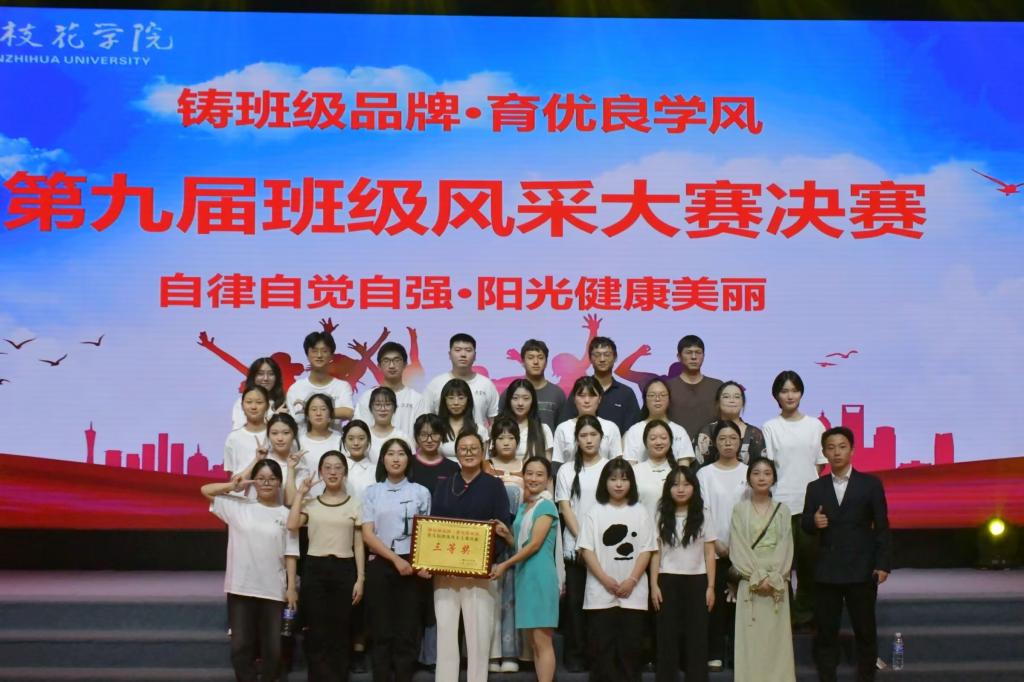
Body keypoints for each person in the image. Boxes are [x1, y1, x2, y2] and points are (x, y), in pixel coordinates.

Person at [803, 427, 891, 682]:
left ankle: (866, 677)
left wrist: (883, 564)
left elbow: (882, 526)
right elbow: (805, 522)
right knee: (826, 631)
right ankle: (827, 677)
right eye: (831, 448)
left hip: (861, 567)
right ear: (824, 452)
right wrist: (813, 521)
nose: (837, 452)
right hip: (827, 569)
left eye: (842, 447)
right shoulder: (815, 487)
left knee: (865, 630)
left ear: (852, 450)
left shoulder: (871, 484)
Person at [202, 459, 299, 682]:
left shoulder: (286, 514)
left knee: (273, 649)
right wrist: (233, 486)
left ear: (279, 482)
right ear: (254, 482)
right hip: (241, 587)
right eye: (261, 478)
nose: (266, 483)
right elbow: (205, 490)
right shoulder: (239, 506)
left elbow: (291, 553)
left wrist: (291, 587)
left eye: (272, 479)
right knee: (241, 647)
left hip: (273, 589)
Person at [431, 431, 513, 682]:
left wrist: (485, 561)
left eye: (474, 448)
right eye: (463, 449)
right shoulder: (444, 484)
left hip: (480, 572)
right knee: (446, 635)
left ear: (483, 451)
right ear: (456, 453)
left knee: (479, 638)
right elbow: (433, 527)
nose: (468, 453)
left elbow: (502, 527)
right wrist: (434, 562)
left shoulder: (494, 485)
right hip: (445, 572)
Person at [287, 451, 364, 682]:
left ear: (345, 472)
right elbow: (291, 525)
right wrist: (300, 493)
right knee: (316, 629)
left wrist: (360, 578)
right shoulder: (311, 503)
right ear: (320, 472)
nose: (332, 472)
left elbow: (359, 544)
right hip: (315, 569)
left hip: (344, 568)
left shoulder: (356, 504)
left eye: (338, 467)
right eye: (327, 467)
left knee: (341, 629)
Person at [577, 458, 656, 682]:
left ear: (631, 483)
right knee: (601, 654)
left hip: (634, 594)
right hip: (600, 595)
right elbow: (586, 550)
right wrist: (605, 579)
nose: (619, 484)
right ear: (605, 482)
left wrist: (632, 580)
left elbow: (647, 550)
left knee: (630, 654)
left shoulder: (640, 512)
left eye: (624, 479)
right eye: (613, 479)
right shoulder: (595, 512)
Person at [361, 439, 432, 682]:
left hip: (412, 566)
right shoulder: (372, 492)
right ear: (383, 459)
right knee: (381, 629)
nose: (395, 458)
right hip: (381, 563)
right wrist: (395, 560)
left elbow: (427, 533)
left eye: (401, 454)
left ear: (408, 459)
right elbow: (368, 535)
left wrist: (419, 564)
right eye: (390, 454)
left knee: (407, 630)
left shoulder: (420, 492)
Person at [762, 370, 826, 628]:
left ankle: (805, 615)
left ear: (801, 393)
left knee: (809, 564)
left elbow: (820, 463)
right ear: (776, 395)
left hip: (809, 505)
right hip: (780, 503)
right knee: (782, 566)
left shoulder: (815, 426)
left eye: (794, 390)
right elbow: (769, 466)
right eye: (784, 391)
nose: (790, 396)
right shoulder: (770, 427)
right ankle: (785, 616)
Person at [491, 457, 561, 682]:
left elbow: (534, 545)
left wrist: (505, 565)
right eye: (529, 473)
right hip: (525, 576)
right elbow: (521, 544)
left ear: (548, 479)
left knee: (543, 641)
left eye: (539, 474)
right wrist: (507, 535)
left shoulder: (546, 506)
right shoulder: (524, 507)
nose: (533, 478)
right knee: (534, 643)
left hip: (540, 576)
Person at [731, 457, 795, 682]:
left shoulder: (783, 510)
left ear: (774, 478)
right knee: (751, 639)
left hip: (776, 581)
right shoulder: (740, 510)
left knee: (776, 639)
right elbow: (738, 546)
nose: (761, 478)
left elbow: (786, 546)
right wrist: (757, 576)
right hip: (750, 580)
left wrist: (773, 577)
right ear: (749, 478)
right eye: (756, 473)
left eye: (767, 473)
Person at [650, 466, 716, 682]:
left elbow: (709, 552)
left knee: (697, 637)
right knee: (666, 637)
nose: (680, 489)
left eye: (686, 484)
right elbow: (656, 552)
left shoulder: (704, 514)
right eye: (675, 484)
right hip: (667, 579)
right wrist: (654, 585)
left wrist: (711, 587)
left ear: (694, 488)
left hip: (697, 581)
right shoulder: (660, 515)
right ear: (668, 488)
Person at [406, 413, 460, 672]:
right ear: (416, 437)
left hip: (443, 544)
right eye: (424, 434)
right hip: (409, 544)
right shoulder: (407, 464)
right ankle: (411, 656)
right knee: (413, 602)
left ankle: (434, 657)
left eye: (434, 434)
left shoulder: (452, 468)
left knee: (439, 603)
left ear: (442, 436)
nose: (429, 439)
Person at [553, 415, 607, 672]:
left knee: (601, 604)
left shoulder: (610, 467)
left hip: (605, 547)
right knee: (575, 603)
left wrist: (596, 543)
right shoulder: (566, 470)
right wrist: (584, 542)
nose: (588, 440)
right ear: (576, 440)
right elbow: (565, 507)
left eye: (593, 435)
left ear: (601, 437)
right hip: (575, 548)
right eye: (583, 436)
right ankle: (575, 656)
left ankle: (598, 656)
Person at [696, 420, 750, 673]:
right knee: (714, 602)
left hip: (744, 549)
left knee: (742, 604)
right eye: (723, 439)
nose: (728, 443)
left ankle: (740, 654)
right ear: (715, 444)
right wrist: (714, 541)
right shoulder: (704, 474)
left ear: (740, 442)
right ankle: (714, 653)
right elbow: (702, 509)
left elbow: (752, 510)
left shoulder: (749, 473)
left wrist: (739, 545)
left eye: (733, 438)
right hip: (712, 549)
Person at [486, 416, 525, 673]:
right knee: (490, 597)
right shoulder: (485, 466)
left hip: (517, 538)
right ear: (493, 441)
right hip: (490, 540)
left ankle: (511, 653)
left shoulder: (527, 465)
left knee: (512, 597)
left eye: (511, 437)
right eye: (501, 437)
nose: (506, 442)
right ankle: (490, 654)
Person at [416, 333, 500, 427]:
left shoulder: (486, 384)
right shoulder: (435, 384)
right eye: (458, 350)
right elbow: (425, 420)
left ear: (475, 355)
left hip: (478, 436)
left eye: (468, 350)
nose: (463, 354)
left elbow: (494, 421)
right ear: (449, 354)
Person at [560, 336, 640, 435]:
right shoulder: (580, 390)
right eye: (597, 355)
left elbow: (634, 430)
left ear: (615, 357)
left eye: (607, 355)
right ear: (590, 358)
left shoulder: (626, 393)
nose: (602, 359)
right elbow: (567, 424)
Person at [287, 331, 355, 429]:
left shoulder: (342, 386)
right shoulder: (296, 388)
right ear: (307, 355)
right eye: (314, 351)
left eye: (324, 351)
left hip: (335, 438)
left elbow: (348, 412)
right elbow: (290, 422)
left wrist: (310, 409)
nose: (319, 355)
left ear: (331, 356)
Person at [353, 341, 421, 436]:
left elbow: (422, 433)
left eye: (396, 360)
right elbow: (360, 431)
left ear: (405, 364)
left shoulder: (417, 399)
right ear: (379, 366)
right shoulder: (367, 397)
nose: (391, 366)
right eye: (386, 361)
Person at [623, 378, 695, 465]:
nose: (657, 399)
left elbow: (684, 468)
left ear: (669, 399)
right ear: (645, 400)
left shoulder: (679, 431)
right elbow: (630, 466)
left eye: (663, 395)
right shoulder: (634, 431)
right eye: (652, 395)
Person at [692, 381, 765, 466]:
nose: (732, 400)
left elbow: (762, 467)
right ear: (718, 402)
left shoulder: (755, 434)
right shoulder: (706, 432)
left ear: (743, 402)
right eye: (726, 397)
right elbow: (697, 468)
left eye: (737, 397)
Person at [552, 377, 623, 465]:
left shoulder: (611, 427)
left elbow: (616, 465)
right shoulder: (563, 428)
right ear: (574, 399)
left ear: (600, 399)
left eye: (592, 396)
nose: (587, 401)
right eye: (582, 396)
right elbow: (557, 463)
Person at [502, 338, 567, 431]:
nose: (536, 362)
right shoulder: (511, 392)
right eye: (530, 358)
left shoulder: (557, 393)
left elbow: (563, 429)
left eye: (540, 358)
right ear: (523, 362)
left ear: (546, 362)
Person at [667, 335, 723, 439]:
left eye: (698, 352)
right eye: (688, 352)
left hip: (711, 447)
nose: (694, 357)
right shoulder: (667, 387)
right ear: (679, 357)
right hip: (674, 446)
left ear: (703, 356)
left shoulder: (717, 386)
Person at [632, 420, 679, 524]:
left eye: (663, 438)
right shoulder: (635, 471)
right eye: (653, 438)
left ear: (670, 441)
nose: (658, 442)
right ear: (645, 442)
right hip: (642, 530)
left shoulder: (678, 473)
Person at [224, 385, 271, 482]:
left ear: (267, 406)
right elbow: (231, 477)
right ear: (242, 406)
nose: (253, 407)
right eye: (249, 402)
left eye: (259, 402)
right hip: (240, 491)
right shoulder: (233, 437)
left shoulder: (276, 435)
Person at [436, 378, 490, 460]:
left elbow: (483, 462)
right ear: (444, 400)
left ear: (468, 400)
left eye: (461, 398)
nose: (456, 403)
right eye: (451, 398)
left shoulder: (479, 430)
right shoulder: (437, 429)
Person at [501, 378, 554, 460]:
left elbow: (547, 463)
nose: (520, 403)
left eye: (526, 398)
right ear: (508, 400)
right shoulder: (499, 428)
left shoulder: (543, 429)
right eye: (515, 398)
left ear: (533, 401)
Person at [231, 357, 288, 429]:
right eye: (260, 374)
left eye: (271, 374)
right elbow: (239, 431)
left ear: (277, 377)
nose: (265, 378)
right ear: (253, 377)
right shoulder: (243, 402)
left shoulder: (285, 401)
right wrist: (273, 418)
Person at [365, 386, 414, 462]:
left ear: (394, 408)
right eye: (378, 405)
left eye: (387, 404)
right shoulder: (364, 436)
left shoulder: (403, 437)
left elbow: (411, 463)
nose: (383, 409)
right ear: (371, 408)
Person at [301, 393, 343, 474]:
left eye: (323, 409)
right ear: (307, 415)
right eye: (314, 409)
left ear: (330, 415)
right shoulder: (300, 441)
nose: (318, 413)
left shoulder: (339, 439)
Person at [341, 420, 376, 501]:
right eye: (351, 439)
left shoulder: (376, 470)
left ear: (368, 441)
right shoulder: (338, 469)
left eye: (361, 438)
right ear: (344, 441)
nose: (356, 443)